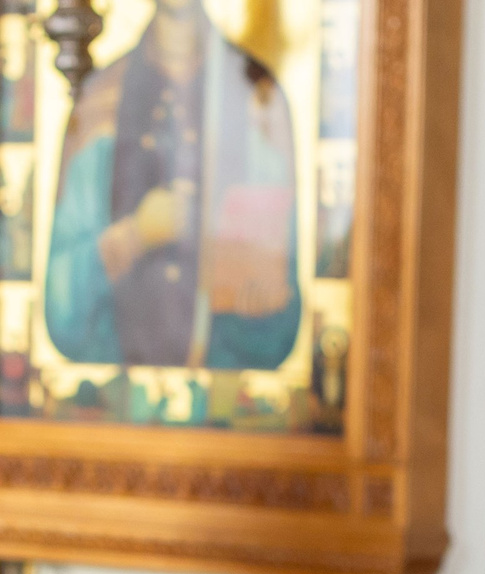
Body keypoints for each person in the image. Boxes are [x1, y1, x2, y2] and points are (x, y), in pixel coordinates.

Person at [41, 0, 300, 371]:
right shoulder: (101, 99)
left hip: (229, 391)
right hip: (114, 391)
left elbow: (280, 317)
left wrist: (253, 295)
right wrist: (134, 236)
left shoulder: (257, 100)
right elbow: (62, 309)